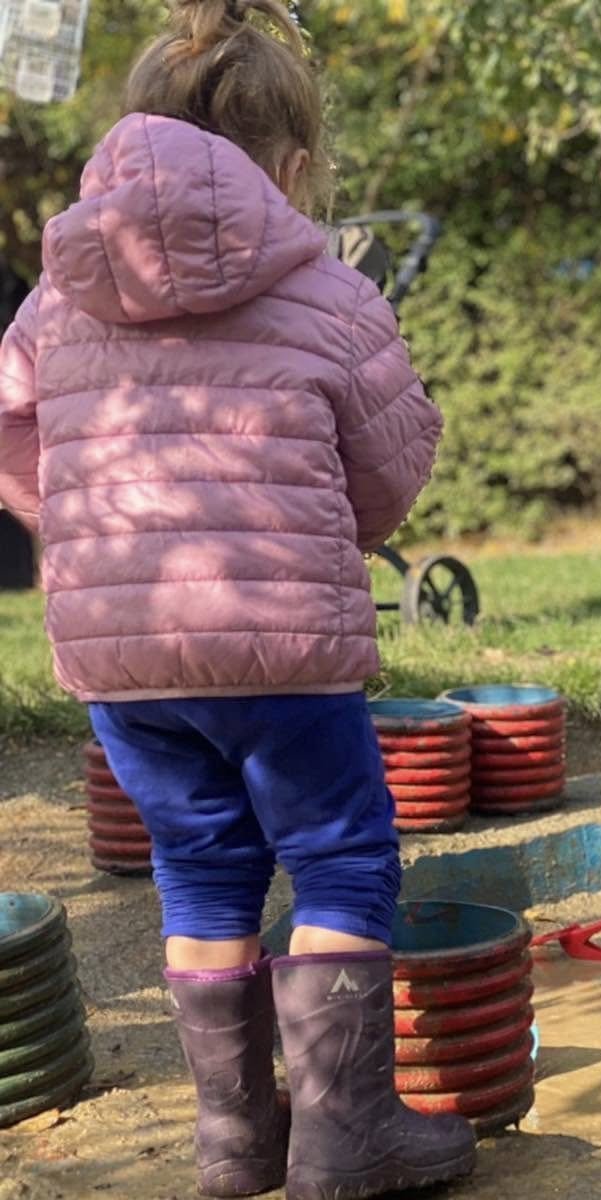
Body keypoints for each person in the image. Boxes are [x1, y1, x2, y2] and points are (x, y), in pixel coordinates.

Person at [0, 3, 476, 1195]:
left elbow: (13, 435)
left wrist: (76, 540)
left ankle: (234, 1141)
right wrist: (332, 532)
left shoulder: (56, 292)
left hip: (124, 657)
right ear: (295, 166)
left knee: (200, 869)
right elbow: (393, 462)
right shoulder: (325, 288)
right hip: (282, 649)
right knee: (340, 860)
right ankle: (341, 1134)